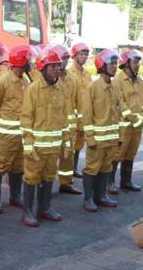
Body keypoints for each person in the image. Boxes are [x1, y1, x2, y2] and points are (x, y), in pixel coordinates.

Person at [20, 49, 72, 227]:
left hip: (53, 147)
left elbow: (64, 117)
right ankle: (28, 211)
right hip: (36, 147)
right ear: (42, 67)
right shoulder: (33, 90)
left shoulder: (60, 88)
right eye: (53, 66)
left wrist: (66, 142)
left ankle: (45, 208)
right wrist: (28, 144)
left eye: (58, 65)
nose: (57, 69)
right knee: (31, 177)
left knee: (49, 176)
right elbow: (26, 118)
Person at [0, 45, 32, 214]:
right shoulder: (3, 82)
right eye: (28, 60)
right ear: (22, 61)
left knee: (18, 166)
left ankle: (15, 196)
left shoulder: (25, 80)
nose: (31, 63)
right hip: (6, 135)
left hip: (21, 134)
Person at [82, 49, 120, 212]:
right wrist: (90, 138)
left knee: (106, 168)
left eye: (115, 63)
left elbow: (117, 112)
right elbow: (87, 115)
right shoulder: (93, 87)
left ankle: (101, 196)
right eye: (111, 63)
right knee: (92, 168)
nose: (114, 66)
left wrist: (119, 136)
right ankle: (88, 198)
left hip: (110, 140)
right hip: (97, 140)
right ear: (102, 65)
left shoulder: (114, 87)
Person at [109, 49, 143, 194]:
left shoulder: (139, 81)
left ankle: (126, 181)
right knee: (117, 154)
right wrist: (135, 117)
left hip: (137, 126)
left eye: (138, 62)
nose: (138, 65)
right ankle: (110, 182)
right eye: (135, 62)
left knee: (131, 154)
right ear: (126, 63)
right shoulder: (118, 81)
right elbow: (120, 104)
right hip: (124, 127)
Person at [48, 44, 80, 195]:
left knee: (68, 155)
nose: (65, 61)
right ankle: (45, 186)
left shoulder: (72, 79)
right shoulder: (47, 79)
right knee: (50, 156)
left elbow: (79, 101)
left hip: (68, 127)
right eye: (63, 57)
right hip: (52, 125)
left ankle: (65, 183)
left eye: (67, 58)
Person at [67, 43, 92, 179]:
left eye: (86, 54)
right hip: (72, 117)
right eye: (81, 54)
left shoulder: (87, 74)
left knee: (78, 145)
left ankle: (74, 168)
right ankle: (67, 173)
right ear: (75, 55)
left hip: (84, 116)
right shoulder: (69, 73)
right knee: (70, 146)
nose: (84, 57)